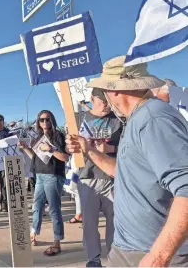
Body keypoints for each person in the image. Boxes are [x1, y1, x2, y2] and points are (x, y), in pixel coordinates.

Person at [66, 56, 188, 267]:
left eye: (105, 91)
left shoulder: (153, 118)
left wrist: (157, 258)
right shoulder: (137, 118)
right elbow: (124, 173)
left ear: (114, 91)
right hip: (128, 249)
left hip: (150, 252)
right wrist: (89, 150)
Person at [74, 88, 123, 267]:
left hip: (112, 177)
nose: (107, 105)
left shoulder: (118, 119)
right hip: (88, 177)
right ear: (92, 98)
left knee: (115, 220)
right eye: (103, 102)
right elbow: (67, 146)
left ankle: (114, 256)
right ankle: (93, 259)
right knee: (89, 222)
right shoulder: (78, 119)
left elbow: (128, 147)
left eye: (109, 101)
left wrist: (110, 150)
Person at [18, 110, 69, 256]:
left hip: (53, 176)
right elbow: (35, 157)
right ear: (38, 122)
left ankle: (57, 241)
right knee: (37, 206)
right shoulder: (39, 137)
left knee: (54, 209)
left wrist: (51, 149)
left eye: (47, 119)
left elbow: (65, 157)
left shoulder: (58, 136)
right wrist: (25, 148)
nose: (45, 122)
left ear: (52, 120)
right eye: (41, 120)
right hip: (39, 175)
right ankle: (34, 233)